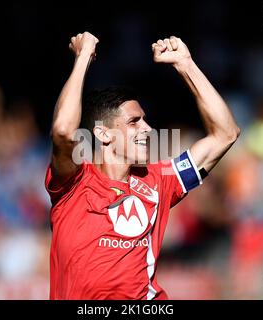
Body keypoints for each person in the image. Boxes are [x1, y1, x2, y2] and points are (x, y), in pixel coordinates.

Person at [45, 31, 240, 300]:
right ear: (103, 133)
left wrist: (186, 65)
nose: (147, 129)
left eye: (145, 120)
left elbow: (226, 133)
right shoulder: (72, 182)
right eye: (134, 121)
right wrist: (83, 59)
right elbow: (63, 131)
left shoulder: (159, 180)